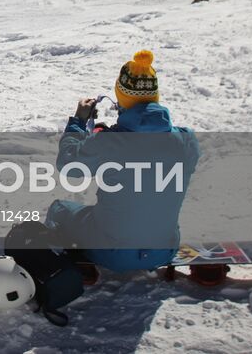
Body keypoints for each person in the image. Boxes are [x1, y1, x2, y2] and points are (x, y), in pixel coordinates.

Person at [44, 51, 201, 280]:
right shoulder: (187, 141)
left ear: (122, 97)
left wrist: (79, 123)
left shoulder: (108, 143)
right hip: (165, 249)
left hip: (111, 253)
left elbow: (69, 167)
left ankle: (66, 262)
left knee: (59, 209)